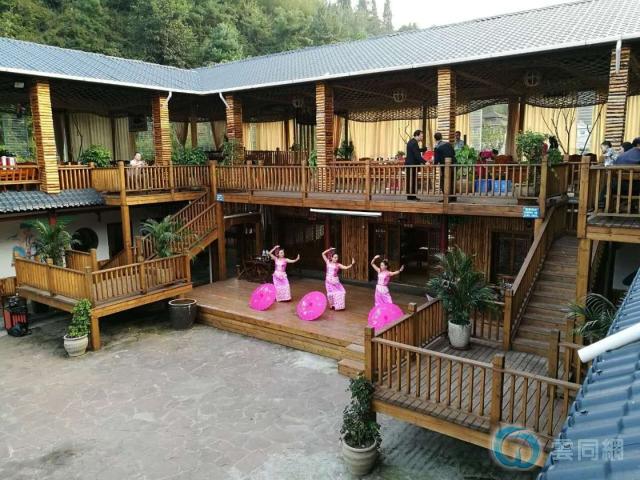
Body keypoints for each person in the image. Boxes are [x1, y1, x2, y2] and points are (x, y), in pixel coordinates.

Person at [433, 132, 457, 201]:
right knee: (452, 180)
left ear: (435, 139)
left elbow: (436, 160)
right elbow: (454, 153)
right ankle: (453, 197)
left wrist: (433, 164)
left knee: (443, 181)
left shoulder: (437, 147)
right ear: (441, 137)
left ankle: (446, 198)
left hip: (445, 167)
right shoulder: (448, 144)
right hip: (453, 164)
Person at [405, 130, 427, 200]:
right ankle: (412, 196)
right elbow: (417, 155)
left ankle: (410, 196)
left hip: (410, 164)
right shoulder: (414, 143)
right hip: (412, 165)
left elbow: (415, 151)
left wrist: (423, 149)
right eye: (421, 136)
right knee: (412, 180)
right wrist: (425, 162)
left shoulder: (412, 141)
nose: (422, 138)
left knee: (411, 180)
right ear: (417, 135)